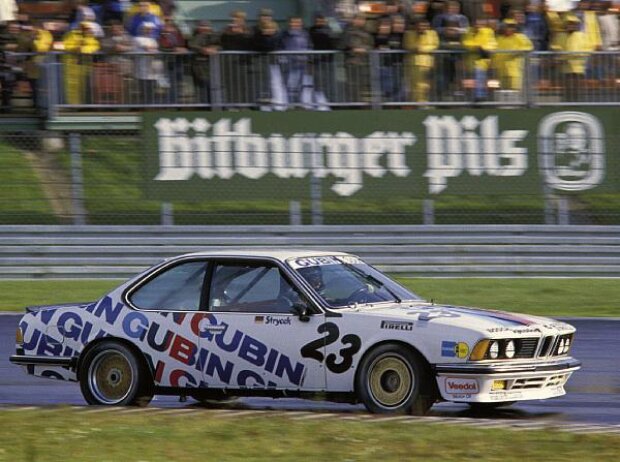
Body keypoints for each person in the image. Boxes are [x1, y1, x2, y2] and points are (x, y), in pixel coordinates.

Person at [556, 15, 593, 102]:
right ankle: (567, 101)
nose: (571, 26)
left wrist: (578, 55)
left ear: (577, 25)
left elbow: (588, 48)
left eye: (573, 24)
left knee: (577, 85)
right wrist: (562, 58)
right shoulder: (561, 36)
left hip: (578, 65)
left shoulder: (582, 36)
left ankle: (578, 101)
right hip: (566, 65)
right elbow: (557, 48)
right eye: (569, 24)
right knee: (567, 85)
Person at [62, 21, 100, 105]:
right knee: (72, 86)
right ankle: (73, 105)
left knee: (85, 86)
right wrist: (75, 48)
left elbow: (94, 46)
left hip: (85, 64)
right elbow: (66, 45)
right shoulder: (72, 34)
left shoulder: (90, 37)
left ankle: (84, 105)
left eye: (87, 28)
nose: (86, 30)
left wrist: (82, 49)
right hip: (72, 64)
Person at [403, 18, 439, 102]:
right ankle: (417, 103)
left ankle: (425, 102)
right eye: (421, 25)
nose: (422, 27)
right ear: (416, 26)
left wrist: (422, 49)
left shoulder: (432, 33)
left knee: (427, 85)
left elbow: (435, 45)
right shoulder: (409, 34)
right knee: (415, 85)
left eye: (425, 26)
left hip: (428, 63)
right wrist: (417, 48)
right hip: (414, 63)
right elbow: (408, 45)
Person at [341, 13, 374, 103]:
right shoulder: (347, 31)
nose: (360, 21)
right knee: (351, 85)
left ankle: (360, 103)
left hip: (364, 62)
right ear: (353, 20)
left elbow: (371, 45)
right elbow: (343, 45)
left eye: (362, 19)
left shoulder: (367, 33)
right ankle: (351, 104)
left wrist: (365, 49)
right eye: (358, 19)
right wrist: (354, 49)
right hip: (351, 62)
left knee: (361, 85)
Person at [462, 17, 497, 102]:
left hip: (482, 61)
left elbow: (493, 44)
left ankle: (480, 99)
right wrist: (477, 47)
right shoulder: (468, 31)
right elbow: (465, 43)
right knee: (470, 82)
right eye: (477, 24)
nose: (479, 26)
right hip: (469, 61)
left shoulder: (488, 31)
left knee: (481, 79)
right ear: (473, 24)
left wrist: (483, 48)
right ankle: (469, 99)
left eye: (481, 24)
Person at [494, 18, 533, 91]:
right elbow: (494, 52)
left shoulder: (520, 37)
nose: (510, 29)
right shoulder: (499, 39)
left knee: (515, 90)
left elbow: (529, 46)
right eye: (508, 27)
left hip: (515, 70)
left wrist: (517, 51)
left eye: (512, 27)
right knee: (503, 91)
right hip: (502, 71)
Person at [309, 13, 336, 110]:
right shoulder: (311, 31)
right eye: (318, 21)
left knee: (329, 83)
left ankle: (330, 104)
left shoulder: (329, 30)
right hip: (317, 61)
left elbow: (333, 43)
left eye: (322, 20)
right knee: (318, 83)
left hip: (328, 60)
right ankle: (320, 104)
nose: (320, 22)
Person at [188, 20, 219, 104]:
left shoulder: (215, 35)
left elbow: (221, 44)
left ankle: (214, 106)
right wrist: (202, 49)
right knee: (201, 87)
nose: (204, 28)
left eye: (206, 26)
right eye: (202, 26)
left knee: (213, 87)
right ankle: (202, 106)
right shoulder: (194, 36)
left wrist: (215, 48)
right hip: (198, 66)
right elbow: (191, 44)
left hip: (213, 66)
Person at [158, 16, 186, 103]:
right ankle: (171, 103)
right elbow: (161, 47)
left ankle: (177, 102)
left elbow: (183, 44)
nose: (169, 22)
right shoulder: (162, 34)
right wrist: (173, 49)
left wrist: (182, 48)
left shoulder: (178, 33)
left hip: (178, 60)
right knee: (170, 83)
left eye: (171, 21)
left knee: (178, 82)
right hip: (168, 61)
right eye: (167, 21)